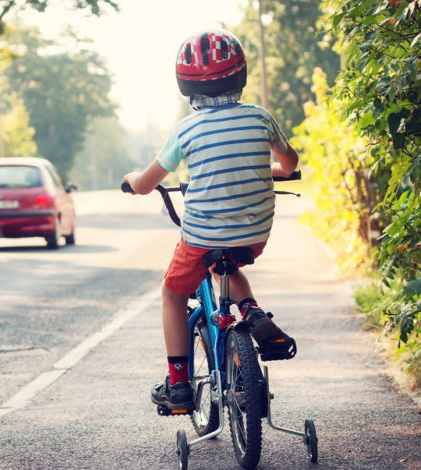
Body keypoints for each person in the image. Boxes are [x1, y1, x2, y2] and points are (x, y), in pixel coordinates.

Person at [122, 29, 299, 412]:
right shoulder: (261, 117)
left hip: (202, 237)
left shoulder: (186, 130)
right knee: (229, 262)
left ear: (185, 84)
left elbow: (147, 183)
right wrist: (274, 170)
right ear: (241, 74)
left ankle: (179, 385)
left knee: (172, 293)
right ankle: (251, 311)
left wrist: (133, 181)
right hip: (254, 234)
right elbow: (290, 163)